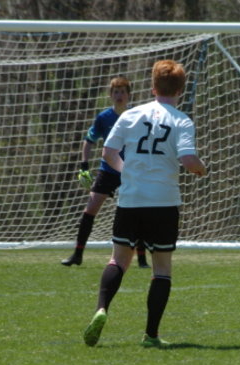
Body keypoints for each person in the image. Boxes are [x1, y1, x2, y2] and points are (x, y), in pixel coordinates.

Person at [83, 60, 207, 348]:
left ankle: (101, 308)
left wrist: (126, 171)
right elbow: (188, 160)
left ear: (153, 87)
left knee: (118, 260)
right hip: (163, 202)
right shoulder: (182, 120)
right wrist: (201, 169)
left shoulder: (130, 115)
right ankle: (151, 335)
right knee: (161, 268)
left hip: (131, 199)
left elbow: (108, 152)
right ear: (180, 90)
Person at [61, 76, 150, 268]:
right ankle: (77, 254)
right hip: (108, 170)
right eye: (116, 92)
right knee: (90, 209)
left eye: (122, 92)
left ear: (129, 95)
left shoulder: (136, 116)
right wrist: (84, 165)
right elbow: (89, 141)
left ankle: (142, 259)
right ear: (110, 95)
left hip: (130, 170)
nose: (119, 95)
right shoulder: (104, 117)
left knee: (138, 211)